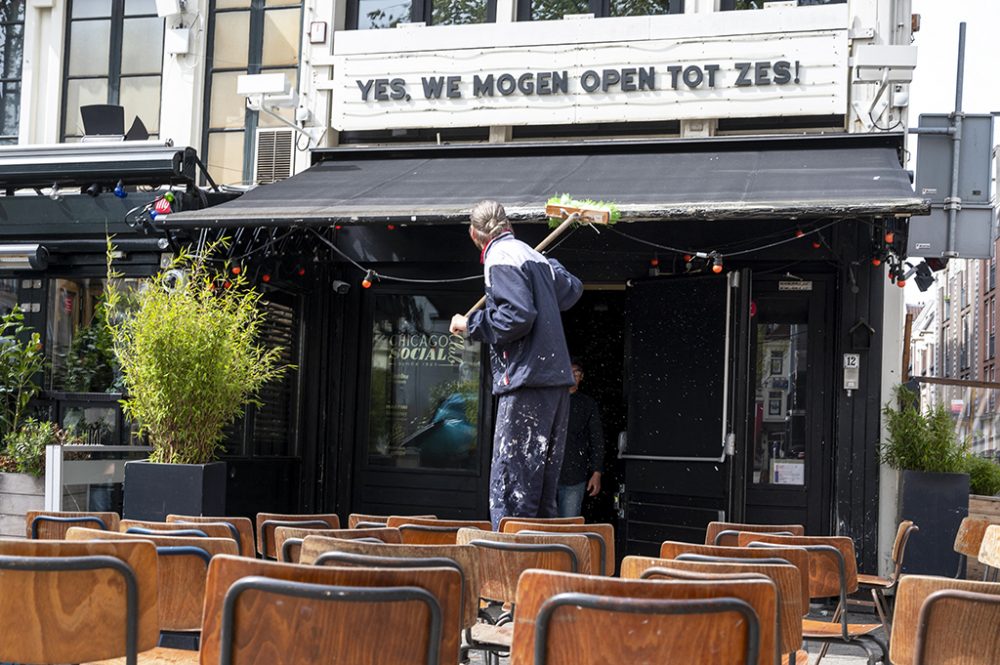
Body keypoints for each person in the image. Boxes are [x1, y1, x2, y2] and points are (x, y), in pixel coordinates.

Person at [449, 200, 582, 528]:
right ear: (509, 225)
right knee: (540, 494)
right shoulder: (532, 256)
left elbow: (517, 316)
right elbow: (572, 291)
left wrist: (471, 325)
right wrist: (550, 266)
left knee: (512, 490)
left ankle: (512, 571)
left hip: (527, 381)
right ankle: (538, 572)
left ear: (473, 235)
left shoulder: (499, 256)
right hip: (554, 386)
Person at [556, 359, 605, 518]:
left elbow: (597, 439)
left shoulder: (588, 404)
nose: (572, 376)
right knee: (542, 528)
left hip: (574, 475)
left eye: (576, 373)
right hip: (548, 475)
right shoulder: (551, 401)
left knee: (568, 527)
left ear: (581, 377)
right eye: (569, 372)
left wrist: (597, 472)